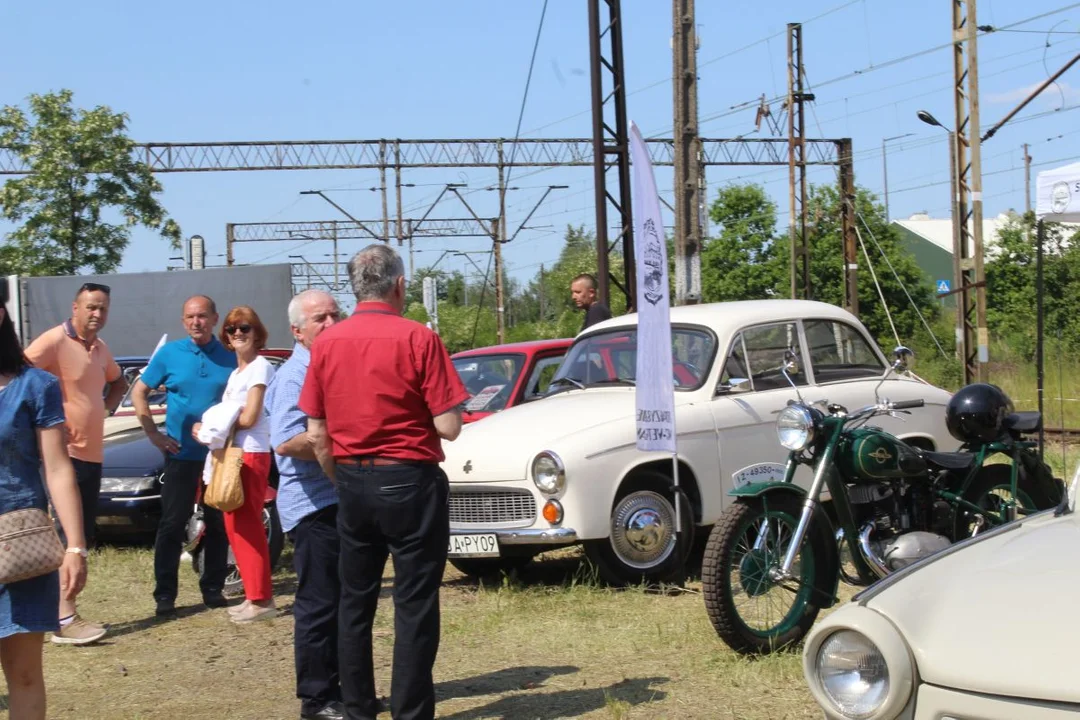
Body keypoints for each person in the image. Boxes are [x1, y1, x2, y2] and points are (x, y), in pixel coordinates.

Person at [300, 244, 468, 720]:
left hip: (353, 479)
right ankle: (410, 712)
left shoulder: (326, 344)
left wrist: (341, 477)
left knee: (355, 601)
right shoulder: (418, 338)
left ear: (355, 289)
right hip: (410, 479)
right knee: (413, 603)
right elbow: (449, 426)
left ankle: (357, 708)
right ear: (399, 285)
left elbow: (316, 432)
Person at [0, 287, 88, 720]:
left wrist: (75, 546)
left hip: (22, 549)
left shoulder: (36, 386)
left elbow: (57, 469)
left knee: (25, 675)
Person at [24, 282, 125, 645]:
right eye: (91, 307)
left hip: (92, 454)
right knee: (65, 537)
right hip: (59, 456)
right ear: (75, 307)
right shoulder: (53, 341)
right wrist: (41, 423)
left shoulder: (100, 349)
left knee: (82, 534)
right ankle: (64, 617)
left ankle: (61, 611)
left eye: (103, 309)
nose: (97, 314)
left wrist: (107, 409)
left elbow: (118, 382)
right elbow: (16, 377)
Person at [267, 289, 346, 720]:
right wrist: (337, 439)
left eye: (336, 314)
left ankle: (347, 688)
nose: (332, 323)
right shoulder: (295, 375)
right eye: (321, 318)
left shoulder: (331, 365)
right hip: (314, 505)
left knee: (346, 601)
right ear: (297, 331)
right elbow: (285, 440)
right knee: (319, 604)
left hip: (340, 500)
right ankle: (317, 700)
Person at [132, 295, 236, 616]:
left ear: (215, 318)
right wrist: (153, 434)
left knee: (218, 523)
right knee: (172, 524)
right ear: (183, 321)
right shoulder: (170, 353)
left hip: (217, 457)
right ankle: (165, 595)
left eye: (202, 316)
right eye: (190, 317)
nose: (196, 322)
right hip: (180, 454)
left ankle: (213, 587)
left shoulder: (230, 355)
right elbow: (139, 391)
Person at [198, 306, 277, 624]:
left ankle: (262, 598)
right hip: (233, 452)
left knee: (247, 526)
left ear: (257, 333)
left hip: (251, 453)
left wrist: (212, 425)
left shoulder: (260, 367)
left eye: (245, 328)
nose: (238, 334)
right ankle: (253, 594)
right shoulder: (237, 373)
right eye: (231, 329)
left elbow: (250, 416)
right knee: (234, 526)